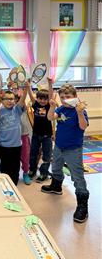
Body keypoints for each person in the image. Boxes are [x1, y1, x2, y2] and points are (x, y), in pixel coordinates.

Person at [41, 84, 89, 223]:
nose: (64, 100)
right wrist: (52, 106)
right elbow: (50, 118)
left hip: (73, 149)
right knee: (56, 167)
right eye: (62, 97)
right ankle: (56, 186)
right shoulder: (61, 108)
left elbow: (83, 126)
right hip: (59, 146)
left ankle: (82, 205)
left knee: (77, 176)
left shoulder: (79, 110)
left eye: (68, 97)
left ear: (75, 97)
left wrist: (80, 112)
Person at [0, 83, 28, 185]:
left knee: (15, 167)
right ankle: (5, 183)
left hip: (16, 145)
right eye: (7, 99)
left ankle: (14, 184)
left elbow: (22, 100)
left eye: (12, 99)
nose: (10, 101)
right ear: (2, 100)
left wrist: (26, 89)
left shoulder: (17, 109)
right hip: (3, 145)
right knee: (5, 166)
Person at [27, 78, 54, 183]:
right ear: (37, 98)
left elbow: (51, 96)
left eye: (45, 99)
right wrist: (28, 86)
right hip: (36, 135)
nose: (42, 101)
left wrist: (50, 84)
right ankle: (32, 170)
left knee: (47, 155)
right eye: (40, 98)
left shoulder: (48, 105)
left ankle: (44, 173)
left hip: (47, 136)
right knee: (33, 153)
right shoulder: (36, 104)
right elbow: (30, 95)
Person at [15, 93, 32, 185]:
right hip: (14, 137)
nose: (17, 102)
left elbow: (22, 101)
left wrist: (22, 91)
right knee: (15, 158)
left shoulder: (23, 108)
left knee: (25, 156)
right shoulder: (11, 109)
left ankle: (26, 173)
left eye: (18, 100)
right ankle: (15, 174)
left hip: (24, 135)